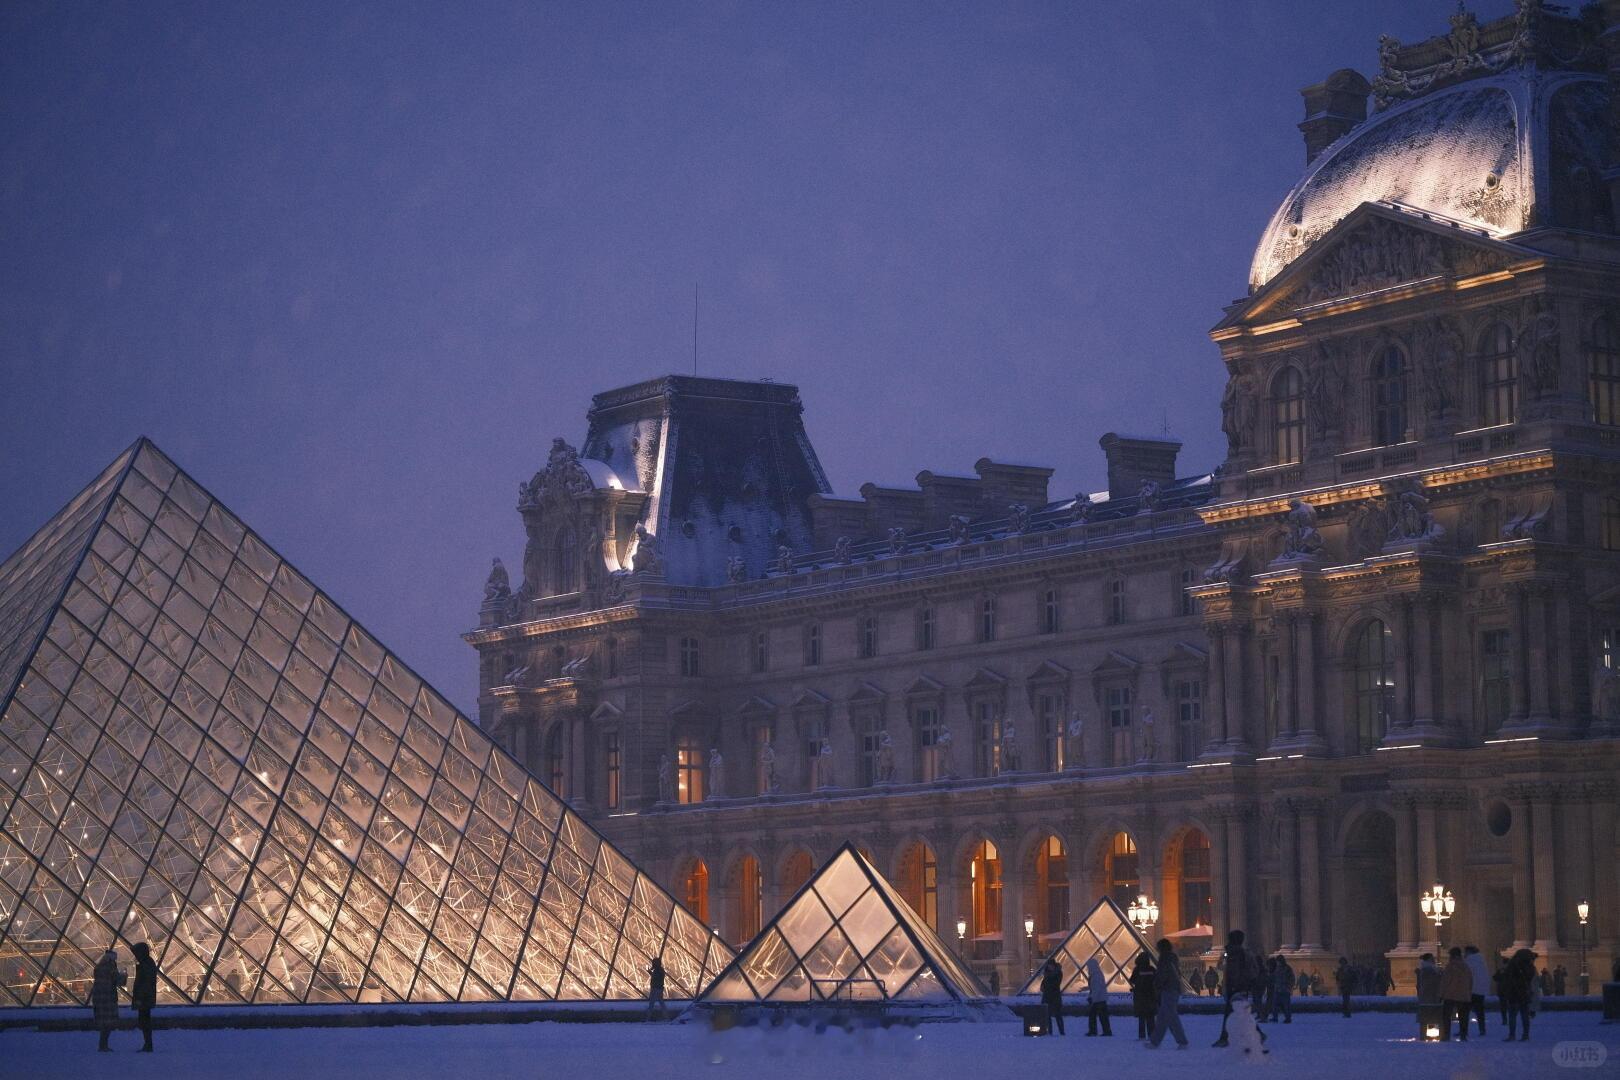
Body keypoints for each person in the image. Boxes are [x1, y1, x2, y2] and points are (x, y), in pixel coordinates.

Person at [1213, 929, 1264, 1049]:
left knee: (1231, 1014)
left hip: (1234, 988)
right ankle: (1259, 1034)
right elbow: (1254, 970)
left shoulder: (1232, 953)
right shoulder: (1246, 953)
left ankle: (1224, 1038)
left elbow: (1223, 968)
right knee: (1243, 1014)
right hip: (1242, 987)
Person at [1147, 938, 1189, 1050]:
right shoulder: (1171, 958)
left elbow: (1163, 974)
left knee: (1168, 1017)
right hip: (1172, 989)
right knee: (1165, 1017)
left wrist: (1157, 985)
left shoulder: (1164, 958)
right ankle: (1156, 1041)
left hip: (1168, 989)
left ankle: (1181, 1042)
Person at [91, 947, 126, 1052]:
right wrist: (124, 974)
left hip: (99, 997)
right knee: (108, 1023)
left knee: (103, 1022)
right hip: (108, 997)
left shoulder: (99, 967)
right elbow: (118, 981)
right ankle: (103, 1045)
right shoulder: (110, 967)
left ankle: (102, 1045)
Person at [1441, 947, 1473, 1041]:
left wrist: (1441, 994)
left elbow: (1445, 981)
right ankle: (1463, 1035)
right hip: (1463, 995)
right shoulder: (1466, 966)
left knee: (1446, 1016)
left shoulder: (1450, 966)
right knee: (1463, 1017)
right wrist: (1468, 992)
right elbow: (1471, 981)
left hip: (1450, 994)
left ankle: (1446, 1035)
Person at [1503, 948, 1535, 1041]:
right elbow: (1530, 977)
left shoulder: (1512, 965)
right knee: (1525, 1015)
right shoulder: (1530, 966)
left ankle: (1512, 1035)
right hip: (1524, 993)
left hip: (1513, 992)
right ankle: (1526, 1035)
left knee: (1512, 1015)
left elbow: (1507, 978)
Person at [130, 942, 157, 1053]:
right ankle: (147, 1044)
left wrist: (140, 998)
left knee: (144, 1022)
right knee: (144, 1022)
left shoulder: (146, 964)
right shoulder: (147, 962)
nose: (135, 956)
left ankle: (148, 1045)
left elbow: (145, 983)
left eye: (137, 953)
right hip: (145, 998)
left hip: (144, 998)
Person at [1415, 953, 1443, 1040]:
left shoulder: (1427, 969)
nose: (1434, 960)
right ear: (1428, 960)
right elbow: (1432, 983)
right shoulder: (1429, 970)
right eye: (1432, 958)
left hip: (1427, 995)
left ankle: (1428, 1033)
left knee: (1428, 1014)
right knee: (1431, 1014)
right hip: (1430, 995)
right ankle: (1430, 1033)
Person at [1129, 952, 1157, 1040]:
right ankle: (1152, 1035)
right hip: (1150, 996)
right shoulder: (1152, 969)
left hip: (1140, 996)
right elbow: (1157, 980)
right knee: (1150, 1017)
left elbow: (1132, 980)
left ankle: (1142, 1036)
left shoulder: (1137, 969)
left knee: (1141, 1017)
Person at [1463, 944, 1489, 1036]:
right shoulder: (1481, 960)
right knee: (1480, 1012)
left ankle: (1463, 1030)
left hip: (1471, 990)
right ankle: (1482, 1029)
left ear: (1469, 952)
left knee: (1465, 1011)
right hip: (1480, 990)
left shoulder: (1469, 961)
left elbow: (1466, 975)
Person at [1083, 956, 1112, 1036]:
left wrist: (1092, 998)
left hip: (1098, 999)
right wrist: (1085, 988)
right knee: (1102, 1017)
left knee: (1094, 1016)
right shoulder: (1096, 974)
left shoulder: (1096, 975)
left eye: (1088, 966)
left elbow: (1097, 988)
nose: (1087, 968)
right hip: (1099, 998)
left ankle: (1095, 1031)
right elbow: (1095, 986)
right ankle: (1105, 1031)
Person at [1038, 958, 1065, 1036]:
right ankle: (1049, 1032)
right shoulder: (1047, 974)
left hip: (1055, 996)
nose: (1050, 967)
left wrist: (1046, 986)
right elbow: (1044, 984)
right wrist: (1043, 987)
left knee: (1058, 1015)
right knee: (1047, 1016)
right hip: (1047, 996)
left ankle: (1061, 1031)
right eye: (1049, 965)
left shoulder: (1058, 973)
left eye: (1051, 965)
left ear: (1054, 965)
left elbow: (1055, 984)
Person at [1270, 954, 1294, 1023]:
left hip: (1285, 990)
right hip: (1277, 989)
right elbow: (1275, 977)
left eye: (1278, 961)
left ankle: (1288, 1018)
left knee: (1286, 1005)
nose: (1277, 962)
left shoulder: (1287, 968)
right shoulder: (1277, 968)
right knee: (1274, 1004)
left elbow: (1291, 978)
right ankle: (1275, 1017)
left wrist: (1289, 987)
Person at [1493, 959, 1510, 1024]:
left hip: (1502, 990)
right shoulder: (1509, 970)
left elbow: (1495, 978)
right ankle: (1506, 1019)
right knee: (1507, 1006)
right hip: (1507, 990)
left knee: (1503, 1006)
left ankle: (1505, 1019)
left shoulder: (1501, 970)